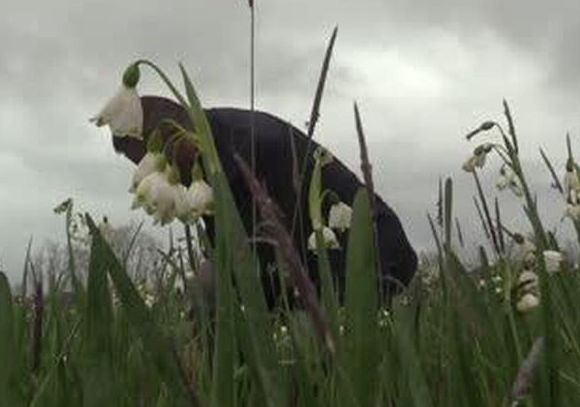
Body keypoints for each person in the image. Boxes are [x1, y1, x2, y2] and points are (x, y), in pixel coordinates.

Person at [107, 94, 417, 309]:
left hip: (368, 262)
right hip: (300, 270)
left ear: (176, 140)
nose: (159, 170)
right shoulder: (207, 158)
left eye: (156, 158)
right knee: (207, 286)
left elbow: (258, 255)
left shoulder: (248, 144)